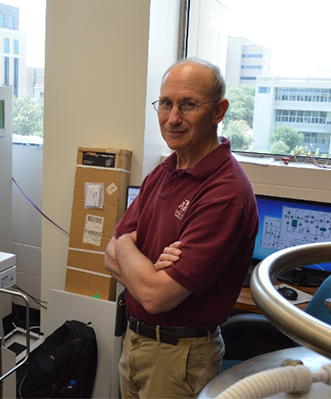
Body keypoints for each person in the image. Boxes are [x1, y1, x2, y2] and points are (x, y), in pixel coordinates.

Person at [104, 57, 259, 399]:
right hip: (135, 342)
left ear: (218, 111)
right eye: (166, 104)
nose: (173, 118)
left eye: (188, 105)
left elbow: (156, 295)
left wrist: (129, 247)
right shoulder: (165, 170)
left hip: (179, 357)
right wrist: (142, 264)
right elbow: (108, 256)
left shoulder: (225, 192)